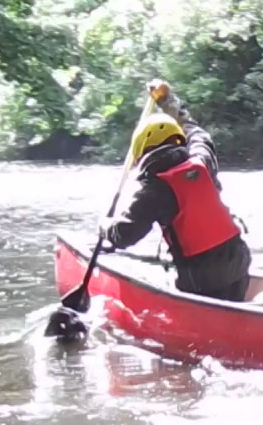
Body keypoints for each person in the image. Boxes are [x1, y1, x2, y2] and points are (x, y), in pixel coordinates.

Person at [101, 79, 252, 302]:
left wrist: (105, 227)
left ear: (142, 152)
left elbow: (124, 236)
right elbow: (197, 133)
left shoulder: (153, 190)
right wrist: (167, 101)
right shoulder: (202, 161)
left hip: (200, 279)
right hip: (238, 262)